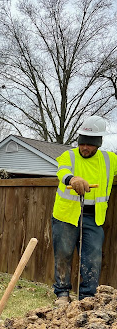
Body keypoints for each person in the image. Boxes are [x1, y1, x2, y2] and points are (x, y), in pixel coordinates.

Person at [52, 115, 117, 305]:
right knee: (63, 255)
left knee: (93, 258)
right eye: (82, 143)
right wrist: (72, 179)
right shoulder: (68, 156)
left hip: (94, 217)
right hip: (66, 215)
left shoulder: (109, 159)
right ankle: (62, 294)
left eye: (90, 144)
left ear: (99, 143)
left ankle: (88, 298)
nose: (85, 147)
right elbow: (62, 171)